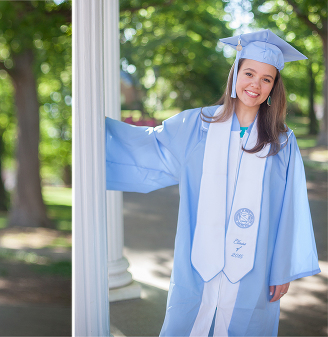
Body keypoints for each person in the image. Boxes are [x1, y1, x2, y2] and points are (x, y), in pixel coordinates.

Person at [105, 30, 320, 336]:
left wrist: (281, 267)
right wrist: (94, 129)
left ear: (274, 87)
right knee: (188, 319)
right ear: (235, 75)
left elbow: (291, 206)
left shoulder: (282, 142)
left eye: (266, 79)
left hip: (255, 267)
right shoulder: (197, 125)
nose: (255, 85)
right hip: (197, 261)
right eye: (249, 73)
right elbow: (148, 147)